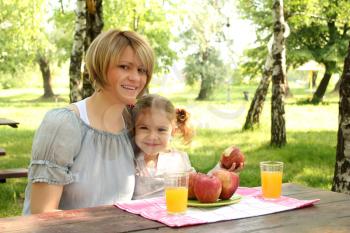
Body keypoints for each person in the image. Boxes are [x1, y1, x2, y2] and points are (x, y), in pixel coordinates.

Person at [22, 29, 155, 215]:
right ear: (101, 66)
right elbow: (42, 213)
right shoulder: (64, 124)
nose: (135, 78)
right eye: (125, 66)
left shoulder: (133, 124)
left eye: (142, 70)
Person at [131, 94, 243, 200]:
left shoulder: (178, 160)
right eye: (144, 128)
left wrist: (221, 170)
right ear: (134, 128)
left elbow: (199, 185)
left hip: (172, 215)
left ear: (173, 131)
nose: (152, 136)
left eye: (161, 130)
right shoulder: (130, 158)